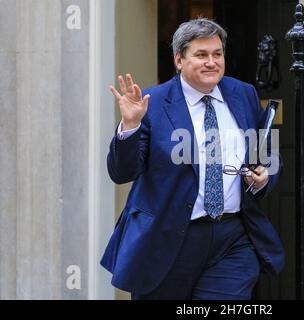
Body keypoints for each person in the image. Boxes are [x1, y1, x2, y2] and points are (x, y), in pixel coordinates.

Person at [101, 18, 284, 300]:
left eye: (217, 54)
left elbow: (266, 150)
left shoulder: (243, 93)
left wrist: (265, 174)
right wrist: (130, 127)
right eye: (201, 55)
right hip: (168, 237)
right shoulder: (152, 102)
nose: (212, 62)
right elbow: (122, 172)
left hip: (232, 238)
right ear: (178, 60)